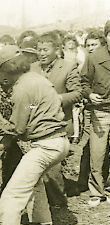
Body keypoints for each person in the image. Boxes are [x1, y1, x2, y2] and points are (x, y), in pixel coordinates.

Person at [0, 46, 70, 225]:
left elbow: (17, 128)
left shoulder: (22, 89)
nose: (2, 78)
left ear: (9, 69)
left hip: (46, 145)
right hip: (58, 141)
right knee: (34, 182)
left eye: (1, 72)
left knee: (13, 194)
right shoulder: (36, 78)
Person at [30, 32, 83, 207]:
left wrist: (58, 99)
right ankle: (43, 204)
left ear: (57, 49)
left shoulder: (67, 67)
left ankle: (59, 204)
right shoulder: (33, 68)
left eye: (46, 49)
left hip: (58, 125)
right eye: (39, 49)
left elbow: (77, 93)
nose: (42, 53)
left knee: (53, 168)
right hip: (36, 125)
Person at [80, 20, 110, 207]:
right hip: (101, 112)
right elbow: (83, 82)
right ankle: (97, 192)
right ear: (106, 37)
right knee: (97, 153)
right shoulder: (94, 58)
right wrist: (89, 94)